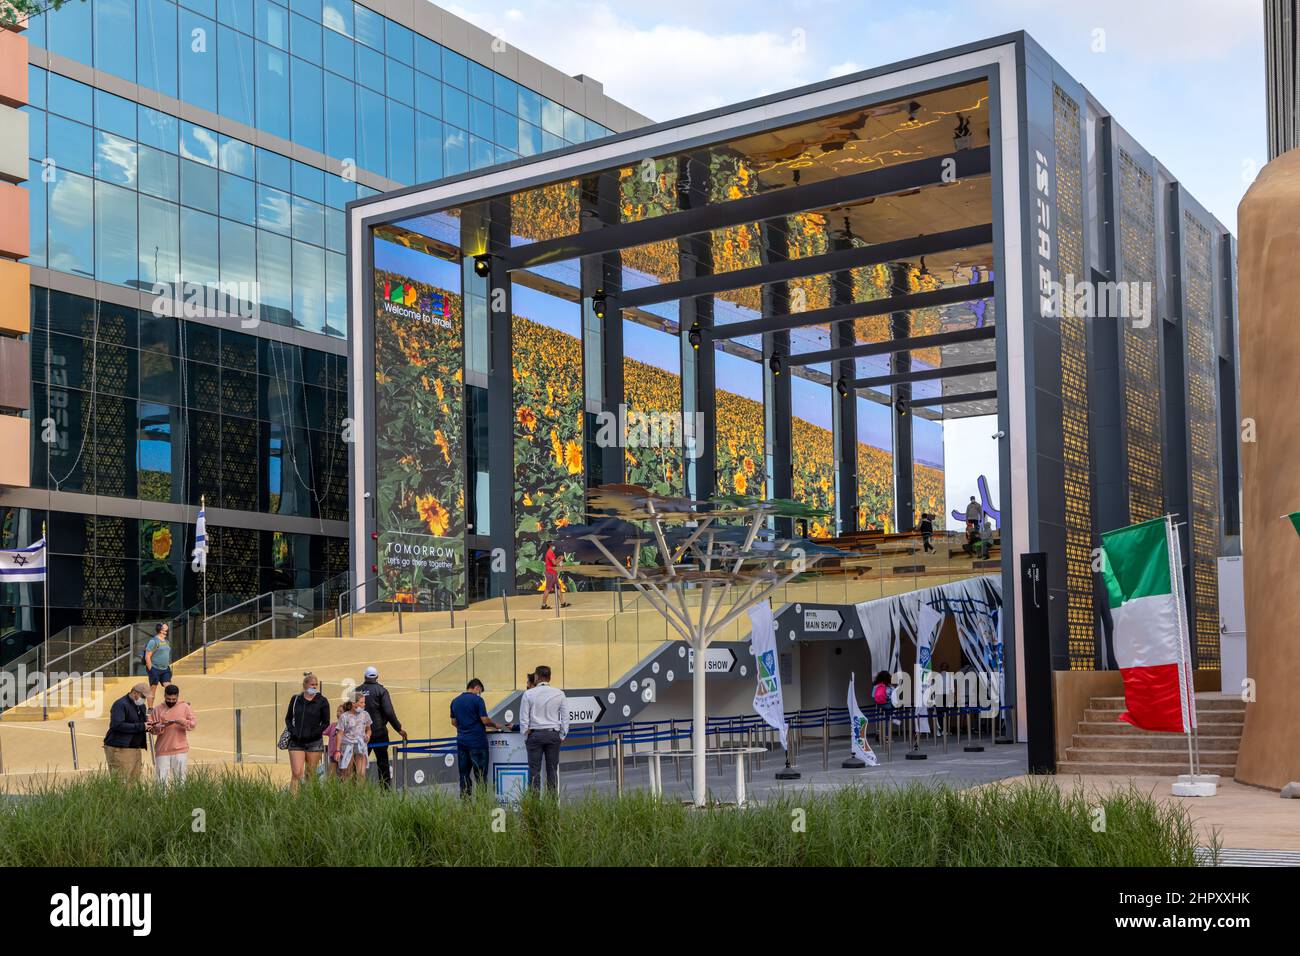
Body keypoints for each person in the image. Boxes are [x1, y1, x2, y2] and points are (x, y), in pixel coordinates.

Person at [449, 678, 506, 797]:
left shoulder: (455, 701)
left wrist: (465, 726)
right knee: (480, 776)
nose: (479, 693)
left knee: (464, 775)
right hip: (478, 743)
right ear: (477, 687)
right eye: (480, 691)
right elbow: (484, 720)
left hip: (462, 743)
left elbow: (453, 722)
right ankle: (481, 802)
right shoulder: (478, 700)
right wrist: (495, 725)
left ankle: (466, 801)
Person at [356, 665, 408, 789]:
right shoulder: (381, 690)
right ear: (377, 677)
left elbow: (349, 711)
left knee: (358, 764)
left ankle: (357, 791)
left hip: (360, 734)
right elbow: (389, 712)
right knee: (383, 763)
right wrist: (399, 728)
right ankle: (385, 791)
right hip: (379, 732)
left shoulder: (357, 691)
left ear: (365, 677)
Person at [519, 664, 567, 793]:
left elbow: (523, 719)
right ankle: (552, 801)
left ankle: (535, 802)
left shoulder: (528, 694)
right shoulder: (559, 694)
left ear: (536, 677)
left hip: (535, 735)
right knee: (552, 770)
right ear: (549, 678)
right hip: (553, 735)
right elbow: (565, 718)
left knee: (534, 771)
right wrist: (562, 735)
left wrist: (526, 735)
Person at [284, 672, 330, 791]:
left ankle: (307, 798)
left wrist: (314, 733)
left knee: (310, 774)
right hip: (296, 742)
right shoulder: (296, 699)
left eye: (315, 685)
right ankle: (293, 799)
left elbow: (326, 722)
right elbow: (288, 718)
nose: (314, 687)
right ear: (305, 685)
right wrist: (293, 731)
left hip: (314, 743)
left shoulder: (322, 701)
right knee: (296, 773)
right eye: (311, 684)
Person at [149, 683, 197, 784]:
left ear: (177, 697)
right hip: (162, 749)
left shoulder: (185, 707)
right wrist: (159, 726)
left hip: (180, 749)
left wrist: (184, 722)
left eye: (173, 699)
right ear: (164, 696)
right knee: (161, 781)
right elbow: (150, 727)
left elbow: (193, 724)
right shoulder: (157, 709)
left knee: (181, 780)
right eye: (168, 699)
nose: (171, 701)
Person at [103, 682, 151, 781]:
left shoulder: (141, 706)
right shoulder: (120, 704)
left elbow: (141, 723)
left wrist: (150, 725)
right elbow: (117, 725)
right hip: (121, 748)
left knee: (134, 781)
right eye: (143, 696)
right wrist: (141, 726)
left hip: (135, 748)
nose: (144, 699)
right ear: (134, 693)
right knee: (121, 781)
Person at [336, 692, 372, 783]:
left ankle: (361, 791)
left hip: (360, 745)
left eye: (364, 702)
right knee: (347, 774)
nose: (364, 704)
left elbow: (368, 729)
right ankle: (347, 791)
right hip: (347, 745)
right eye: (361, 702)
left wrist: (368, 735)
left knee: (361, 774)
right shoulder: (344, 717)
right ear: (353, 703)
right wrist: (337, 750)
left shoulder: (365, 714)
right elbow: (339, 734)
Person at [143, 622, 173, 708]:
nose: (167, 630)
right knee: (153, 689)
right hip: (154, 668)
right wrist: (151, 669)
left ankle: (171, 705)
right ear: (160, 630)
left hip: (165, 669)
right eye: (164, 629)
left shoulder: (166, 641)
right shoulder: (153, 641)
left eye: (167, 629)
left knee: (169, 688)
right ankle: (150, 708)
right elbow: (147, 656)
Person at [540, 543, 569, 610]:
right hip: (551, 574)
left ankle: (562, 603)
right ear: (550, 546)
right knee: (547, 589)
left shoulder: (551, 553)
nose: (554, 546)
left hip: (553, 573)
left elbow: (554, 562)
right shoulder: (549, 553)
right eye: (553, 545)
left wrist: (558, 558)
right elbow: (555, 563)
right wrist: (561, 559)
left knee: (558, 588)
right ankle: (543, 605)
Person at [324, 702, 348, 778]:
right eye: (337, 711)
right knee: (331, 774)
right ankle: (331, 785)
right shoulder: (333, 725)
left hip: (344, 753)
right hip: (333, 753)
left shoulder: (348, 726)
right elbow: (323, 732)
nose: (338, 713)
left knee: (344, 774)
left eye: (341, 711)